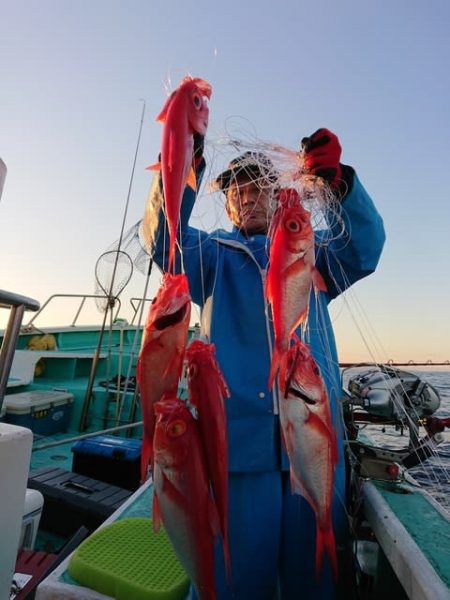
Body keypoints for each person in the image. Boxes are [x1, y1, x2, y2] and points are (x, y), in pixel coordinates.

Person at [140, 128, 385, 599]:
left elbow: (365, 247)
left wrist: (340, 185)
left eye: (259, 187)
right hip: (238, 457)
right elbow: (162, 242)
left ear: (278, 197)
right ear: (228, 205)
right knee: (235, 580)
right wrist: (181, 164)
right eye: (237, 189)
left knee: (315, 581)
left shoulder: (312, 254)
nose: (249, 196)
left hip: (314, 447)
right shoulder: (211, 256)